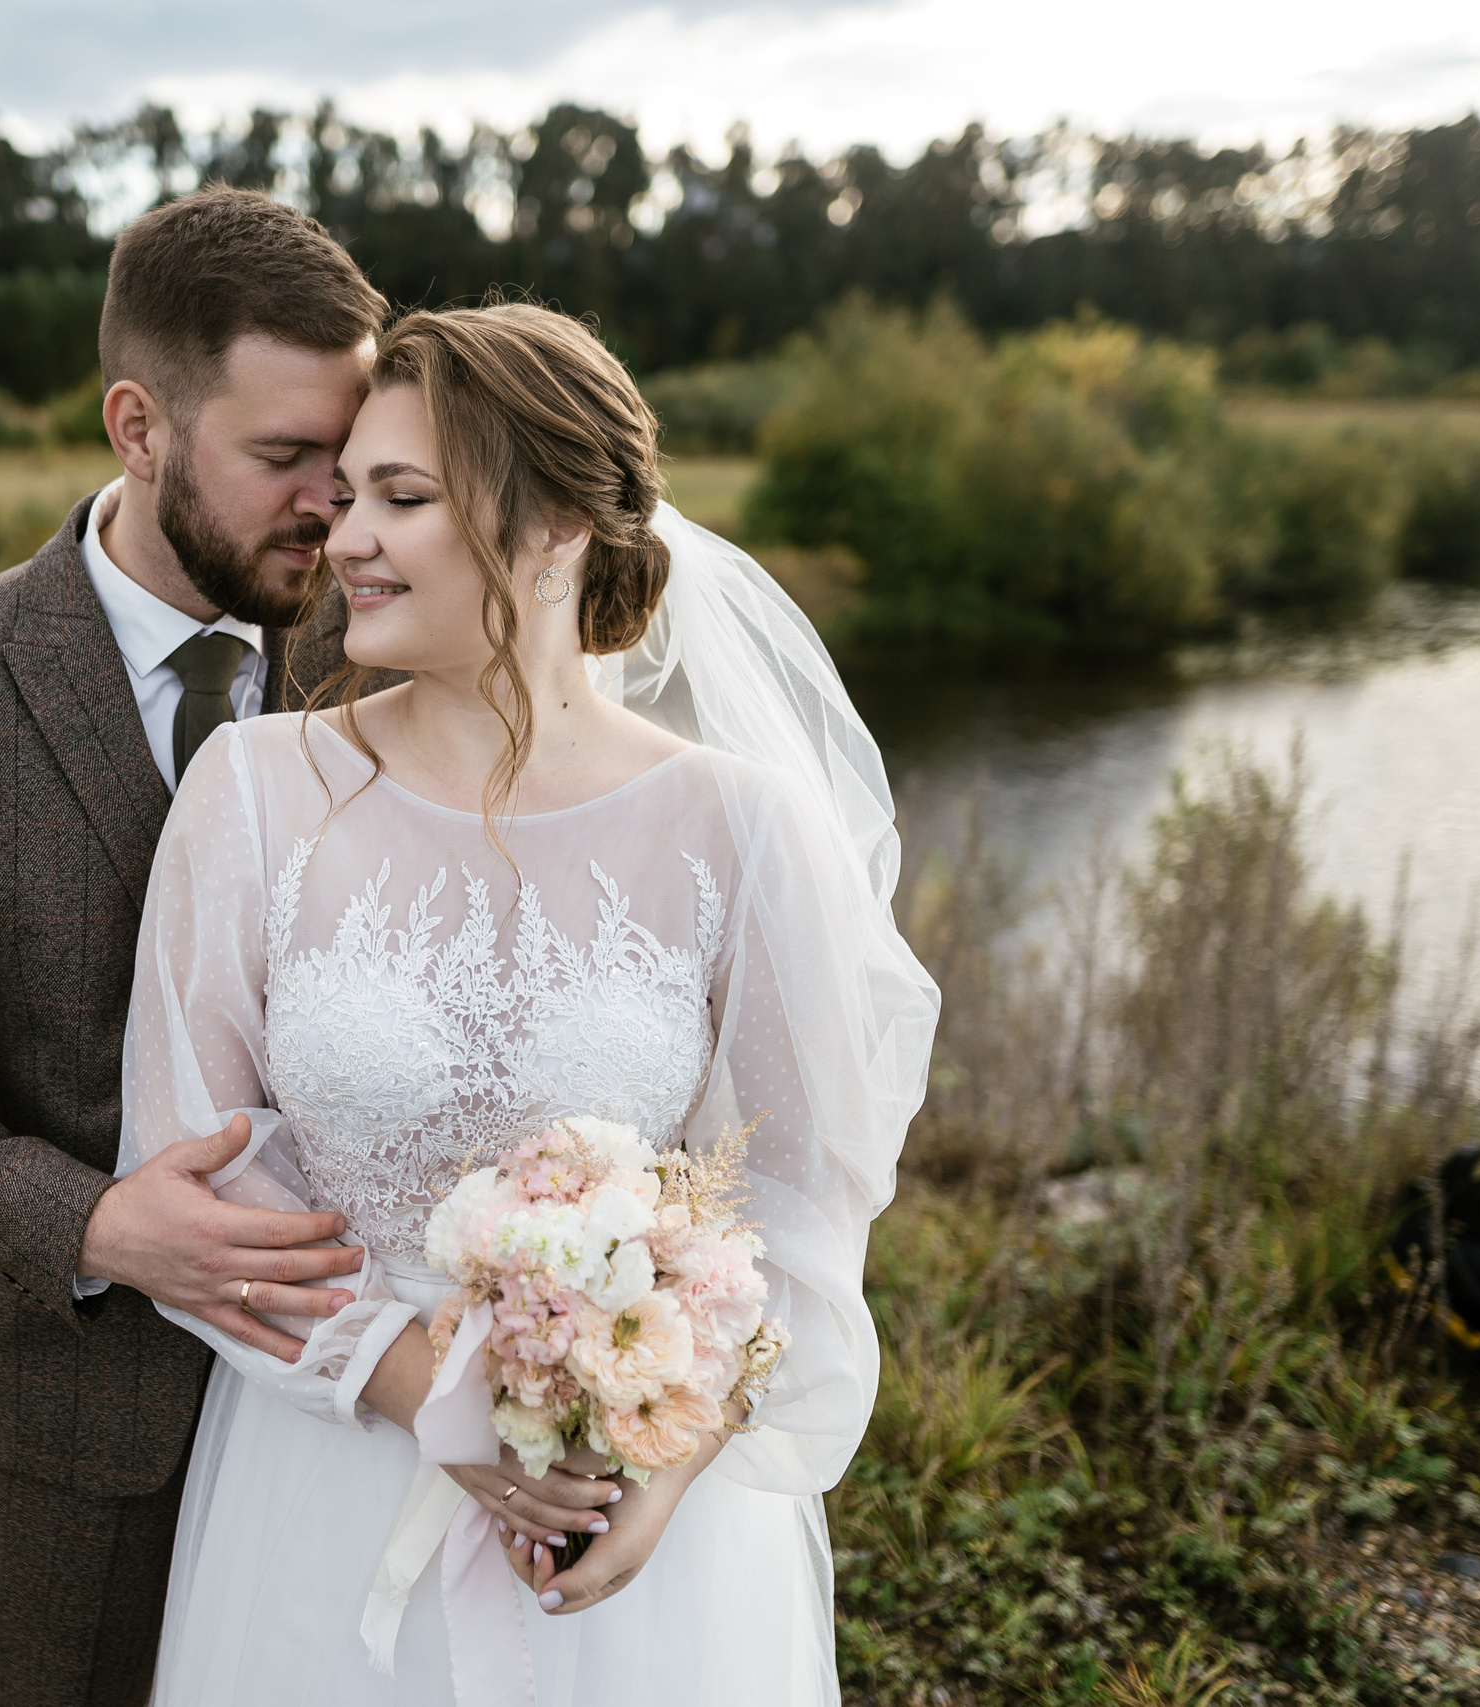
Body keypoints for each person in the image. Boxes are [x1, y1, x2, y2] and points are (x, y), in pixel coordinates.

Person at [118, 302, 941, 1703]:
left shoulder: (742, 827)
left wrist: (668, 1464)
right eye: (344, 496)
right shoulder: (252, 796)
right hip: (324, 1479)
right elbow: (197, 1170)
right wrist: (414, 1386)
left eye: (403, 497)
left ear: (559, 525)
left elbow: (805, 1203)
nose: (347, 540)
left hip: (621, 1528)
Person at [0, 187, 397, 1707]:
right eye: (283, 460)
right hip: (101, 1409)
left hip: (380, 1389)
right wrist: (98, 1227)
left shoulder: (398, 636)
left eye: (355, 455)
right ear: (138, 426)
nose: (337, 507)